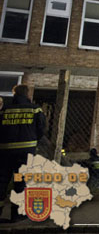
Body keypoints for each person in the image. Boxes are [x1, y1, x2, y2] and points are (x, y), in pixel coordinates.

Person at [0, 84, 45, 222]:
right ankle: (16, 215)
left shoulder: (5, 110)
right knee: (19, 181)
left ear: (14, 94)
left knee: (2, 181)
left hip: (6, 153)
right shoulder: (35, 109)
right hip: (25, 154)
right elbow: (41, 129)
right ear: (27, 94)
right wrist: (32, 140)